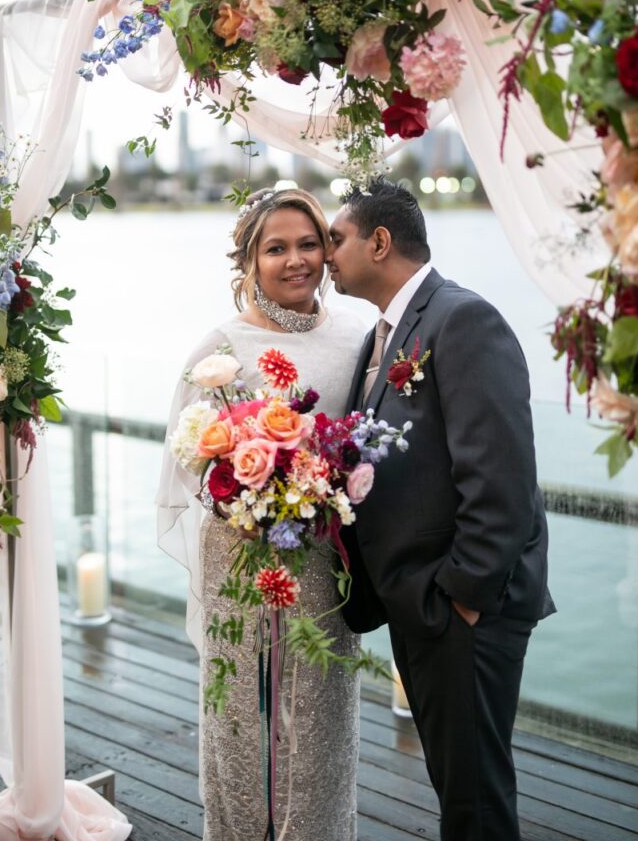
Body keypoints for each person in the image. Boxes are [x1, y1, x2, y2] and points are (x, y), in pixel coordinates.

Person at [327, 178, 555, 841]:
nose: (328, 256)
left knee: (475, 801)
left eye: (338, 239)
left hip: (462, 612)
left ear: (380, 240)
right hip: (419, 604)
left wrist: (460, 597)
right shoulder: (382, 334)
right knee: (458, 789)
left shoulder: (462, 319)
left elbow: (502, 480)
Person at [156, 188, 365, 841]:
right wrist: (243, 493)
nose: (296, 260)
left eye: (309, 244)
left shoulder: (360, 336)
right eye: (276, 247)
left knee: (319, 718)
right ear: (250, 260)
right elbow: (187, 450)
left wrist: (318, 490)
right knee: (242, 714)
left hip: (322, 557)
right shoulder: (221, 349)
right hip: (240, 556)